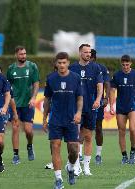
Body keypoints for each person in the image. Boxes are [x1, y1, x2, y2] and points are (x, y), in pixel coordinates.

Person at [43, 52, 83, 189]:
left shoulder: (76, 78)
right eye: (59, 63)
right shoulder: (51, 78)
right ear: (56, 64)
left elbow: (79, 98)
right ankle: (58, 179)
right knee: (55, 147)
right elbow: (47, 99)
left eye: (64, 62)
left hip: (71, 119)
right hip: (55, 120)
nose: (61, 65)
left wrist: (78, 113)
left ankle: (71, 168)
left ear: (68, 63)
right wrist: (44, 118)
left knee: (74, 150)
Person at [69, 44, 103, 176]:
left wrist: (98, 100)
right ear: (80, 53)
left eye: (89, 52)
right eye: (86, 52)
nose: (88, 54)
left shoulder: (96, 67)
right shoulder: (72, 68)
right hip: (76, 108)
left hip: (90, 107)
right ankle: (76, 165)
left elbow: (100, 86)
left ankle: (86, 167)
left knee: (88, 136)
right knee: (76, 137)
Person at [110, 54, 135, 164]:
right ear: (121, 64)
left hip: (133, 106)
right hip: (121, 107)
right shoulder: (117, 75)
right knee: (121, 131)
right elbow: (112, 91)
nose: (125, 67)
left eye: (127, 64)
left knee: (132, 129)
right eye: (123, 65)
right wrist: (112, 105)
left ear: (130, 63)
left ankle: (133, 152)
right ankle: (124, 156)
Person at [7, 45, 40, 164]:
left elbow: (36, 83)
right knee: (15, 128)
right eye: (21, 54)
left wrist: (34, 97)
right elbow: (7, 88)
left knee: (28, 130)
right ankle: (16, 155)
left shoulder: (32, 66)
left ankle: (30, 146)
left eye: (25, 54)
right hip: (15, 104)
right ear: (16, 55)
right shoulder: (11, 69)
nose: (23, 56)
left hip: (28, 103)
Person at [79, 49, 111, 165]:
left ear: (94, 58)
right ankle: (80, 154)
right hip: (82, 103)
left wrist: (106, 97)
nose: (88, 58)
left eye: (90, 56)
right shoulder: (79, 67)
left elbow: (107, 83)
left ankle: (98, 154)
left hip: (96, 102)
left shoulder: (100, 68)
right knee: (81, 128)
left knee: (98, 127)